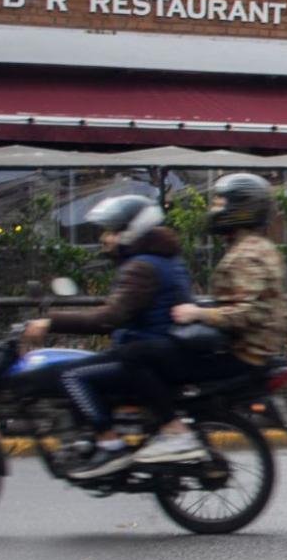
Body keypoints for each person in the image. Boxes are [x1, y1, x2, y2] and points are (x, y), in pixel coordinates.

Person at [22, 195, 192, 479]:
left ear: (130, 231)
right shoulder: (162, 259)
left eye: (111, 231)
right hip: (156, 352)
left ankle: (110, 443)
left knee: (72, 375)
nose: (104, 238)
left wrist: (51, 321)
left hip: (145, 354)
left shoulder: (141, 267)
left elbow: (109, 318)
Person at [129, 172, 287, 463]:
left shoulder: (247, 254)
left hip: (240, 353)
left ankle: (174, 432)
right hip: (244, 349)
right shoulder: (255, 248)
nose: (216, 209)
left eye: (221, 203)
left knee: (138, 356)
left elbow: (249, 312)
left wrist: (199, 312)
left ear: (241, 207)